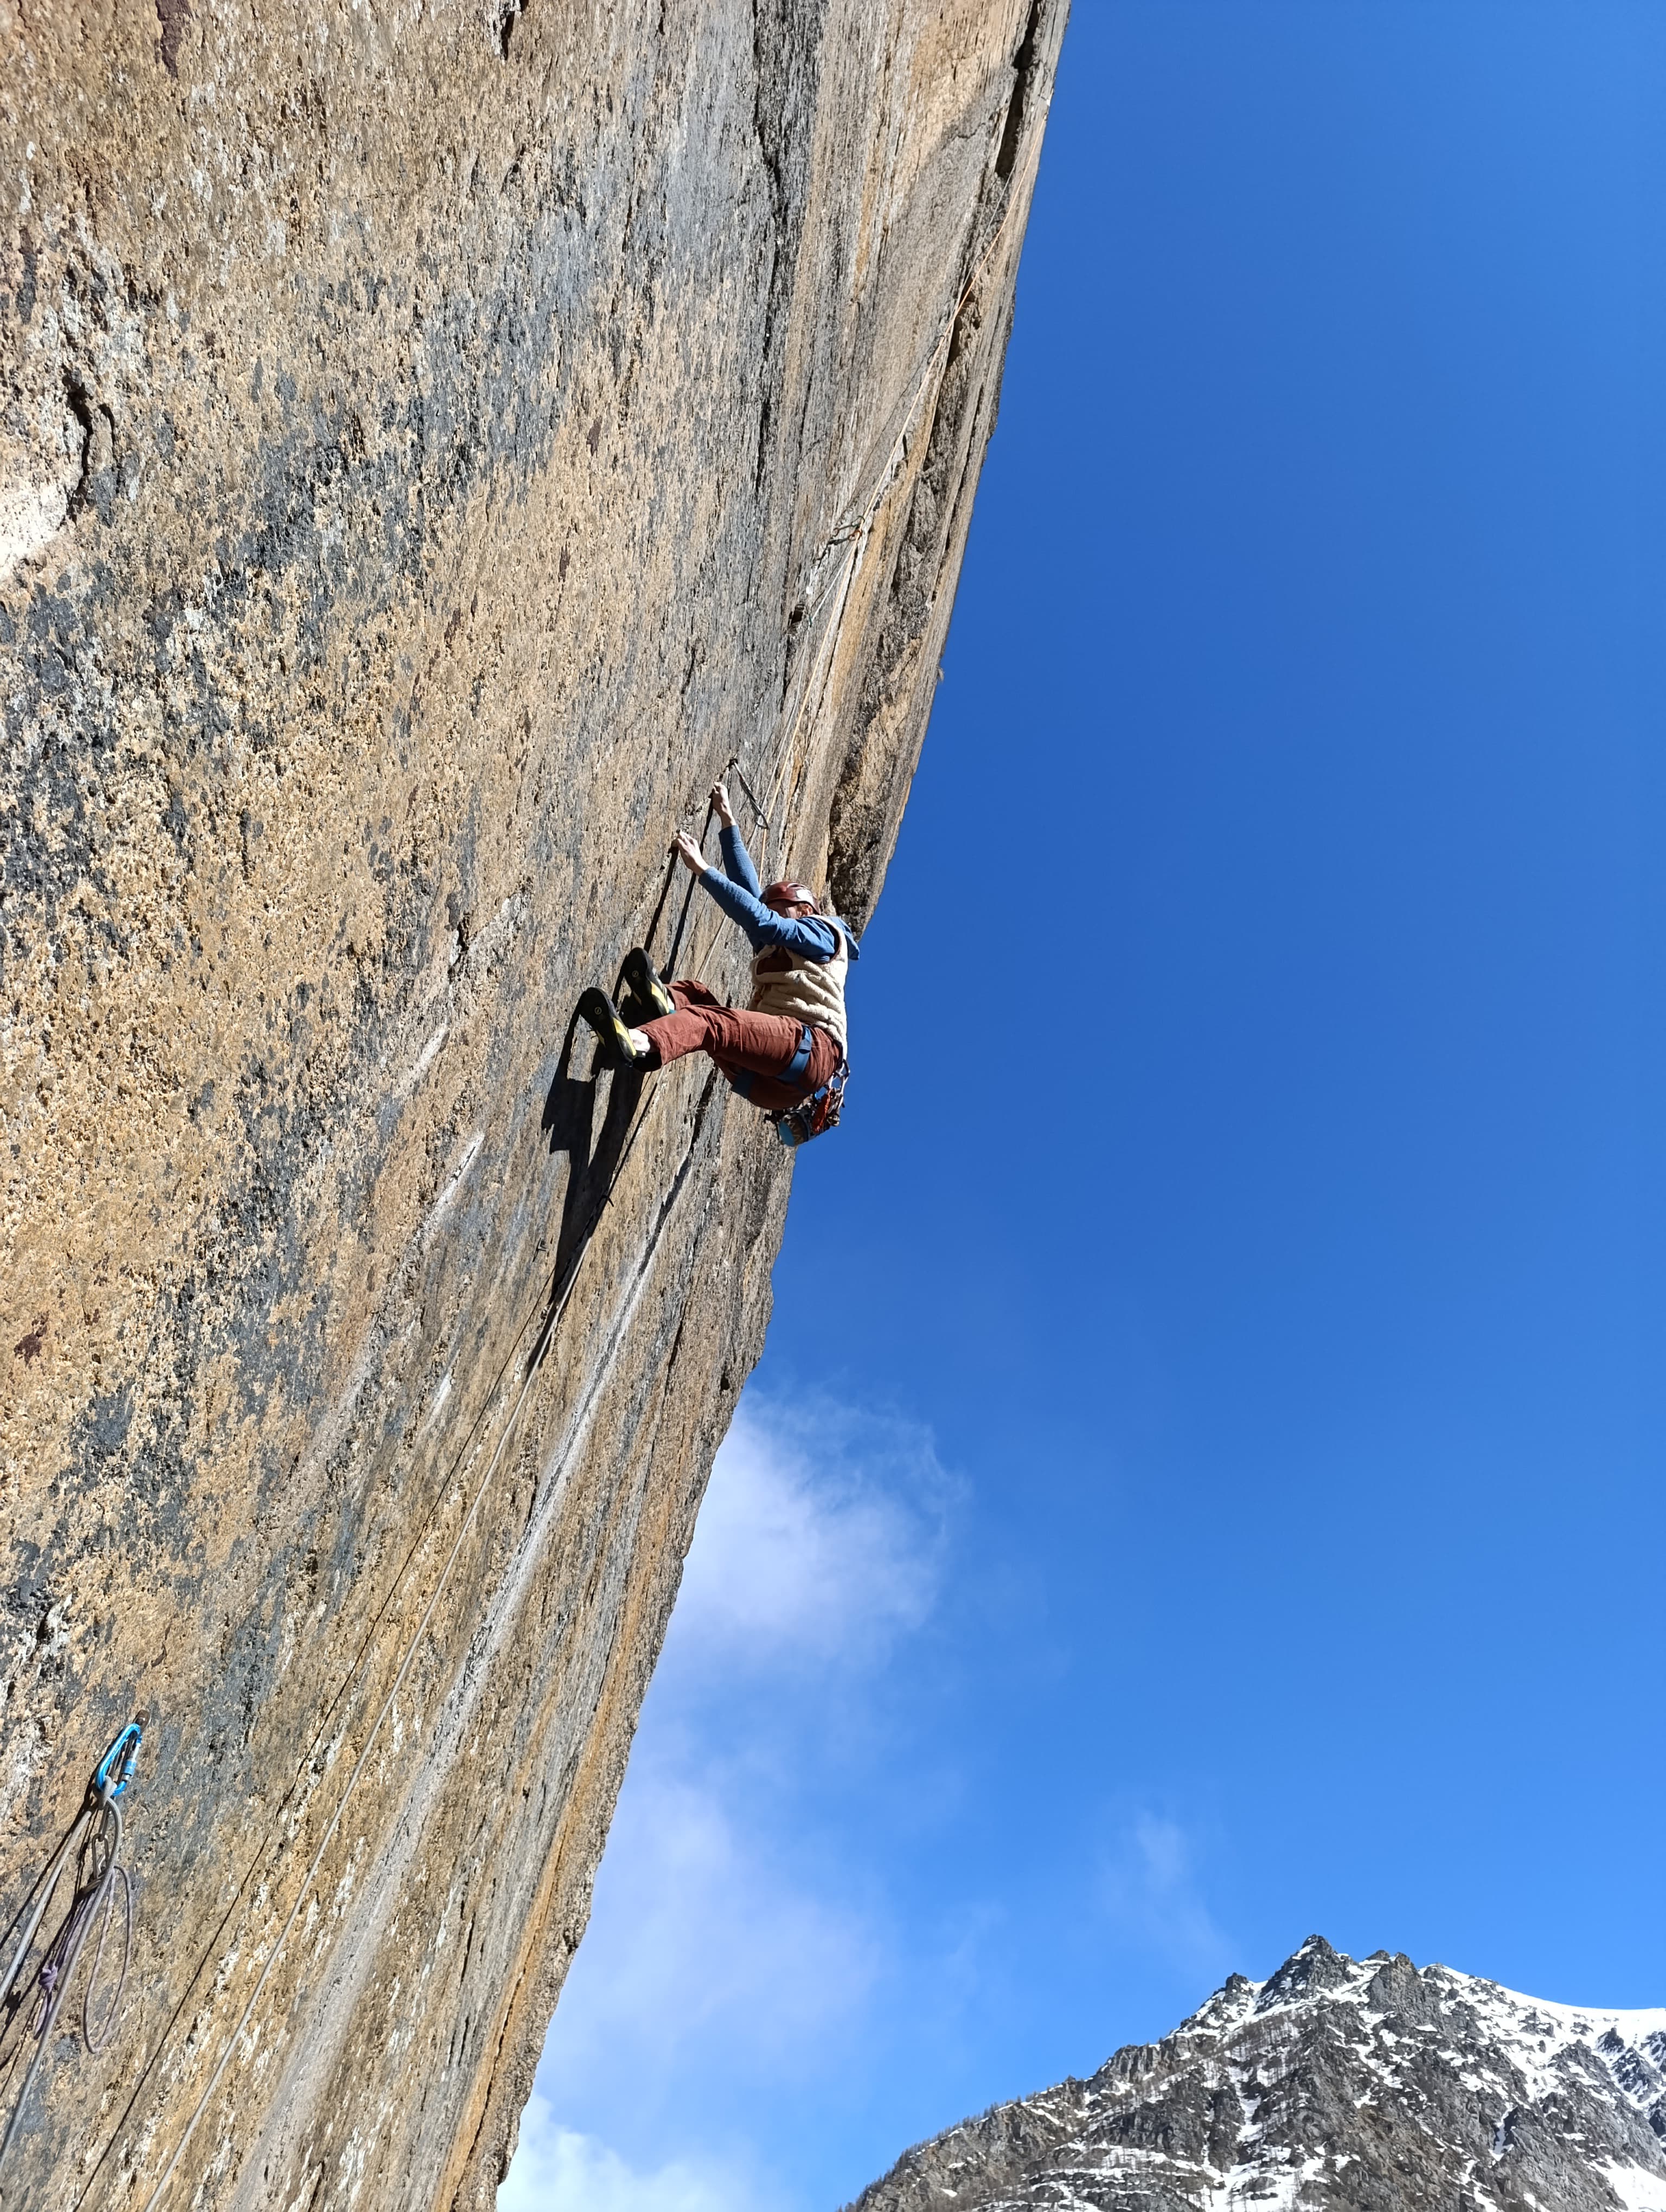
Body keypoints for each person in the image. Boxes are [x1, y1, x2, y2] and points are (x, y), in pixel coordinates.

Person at [576, 779, 857, 1118]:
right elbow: (751, 895)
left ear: (805, 909)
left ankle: (639, 1044)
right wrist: (728, 821)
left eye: (779, 904)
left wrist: (702, 868)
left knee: (708, 1023)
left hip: (810, 1050)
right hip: (766, 1081)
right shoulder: (781, 946)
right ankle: (665, 1002)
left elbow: (762, 919)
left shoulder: (824, 934)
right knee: (697, 996)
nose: (771, 907)